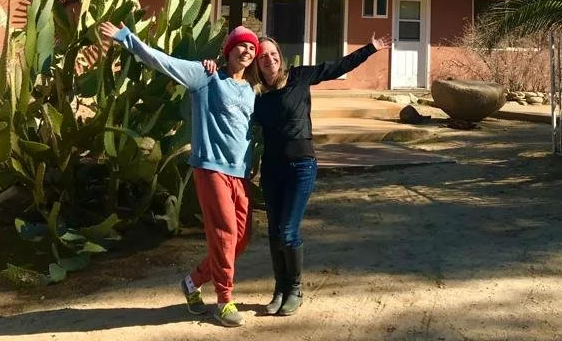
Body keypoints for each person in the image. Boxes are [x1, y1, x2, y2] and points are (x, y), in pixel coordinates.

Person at [206, 33, 390, 316]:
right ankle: (279, 289)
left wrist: (370, 49)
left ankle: (294, 289)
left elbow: (337, 67)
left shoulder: (299, 77)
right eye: (263, 55)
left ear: (280, 55)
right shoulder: (254, 92)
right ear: (257, 61)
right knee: (274, 232)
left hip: (301, 165)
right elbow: (232, 110)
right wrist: (210, 66)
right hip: (272, 167)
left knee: (288, 231)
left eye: (273, 53)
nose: (269, 59)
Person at [100, 21, 260, 328]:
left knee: (241, 239)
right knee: (225, 234)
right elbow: (164, 62)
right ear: (228, 50)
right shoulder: (206, 76)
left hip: (240, 174)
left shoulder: (250, 91)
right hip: (211, 168)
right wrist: (127, 39)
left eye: (252, 47)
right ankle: (225, 300)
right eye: (241, 44)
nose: (247, 50)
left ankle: (193, 282)